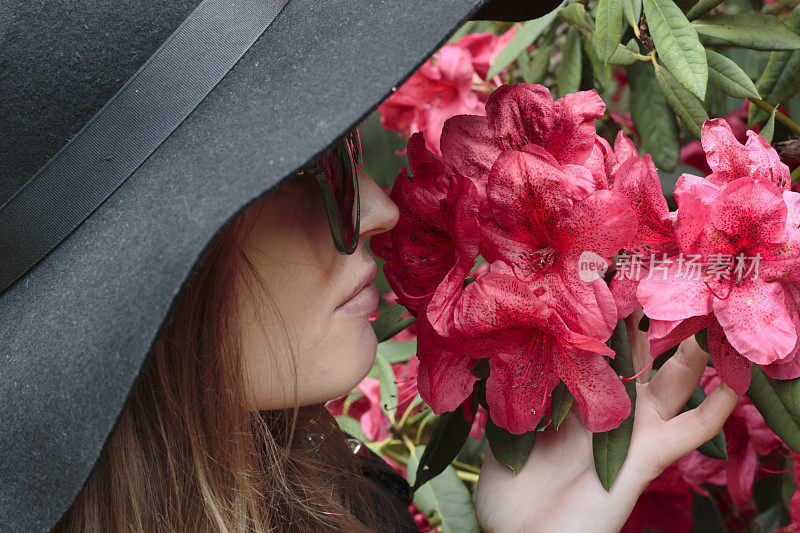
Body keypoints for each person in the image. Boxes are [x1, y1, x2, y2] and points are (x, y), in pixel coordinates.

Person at [0, 0, 739, 531]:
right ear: (158, 266)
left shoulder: (349, 501)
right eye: (308, 171)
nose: (384, 211)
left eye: (348, 151)